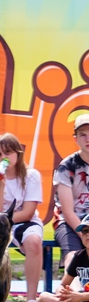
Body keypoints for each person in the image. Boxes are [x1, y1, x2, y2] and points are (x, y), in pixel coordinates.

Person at [0, 133, 43, 302]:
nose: (3, 158)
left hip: (24, 223)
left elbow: (28, 212)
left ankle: (31, 300)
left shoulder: (31, 175)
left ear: (18, 153)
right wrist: (0, 184)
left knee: (33, 241)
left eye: (7, 153)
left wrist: (5, 222)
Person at [37, 213, 89, 302]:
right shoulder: (79, 256)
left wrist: (80, 296)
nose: (87, 235)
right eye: (85, 231)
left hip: (84, 300)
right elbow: (63, 284)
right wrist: (64, 295)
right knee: (43, 298)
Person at [52, 114, 89, 274]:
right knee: (73, 258)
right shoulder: (66, 167)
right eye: (83, 135)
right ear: (76, 139)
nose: (88, 138)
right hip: (69, 223)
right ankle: (72, 295)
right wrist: (84, 235)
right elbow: (67, 212)